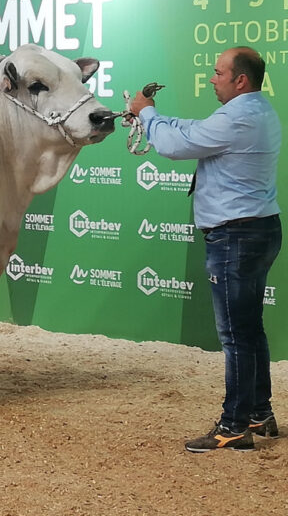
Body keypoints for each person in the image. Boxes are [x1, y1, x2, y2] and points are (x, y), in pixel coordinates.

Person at [130, 46, 282, 453]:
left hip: (235, 237)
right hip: (259, 229)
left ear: (240, 80)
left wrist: (146, 113)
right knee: (249, 328)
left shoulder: (238, 117)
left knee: (235, 335)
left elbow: (174, 146)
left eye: (218, 73)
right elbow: (195, 128)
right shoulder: (255, 110)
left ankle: (234, 425)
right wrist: (154, 116)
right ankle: (259, 413)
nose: (212, 79)